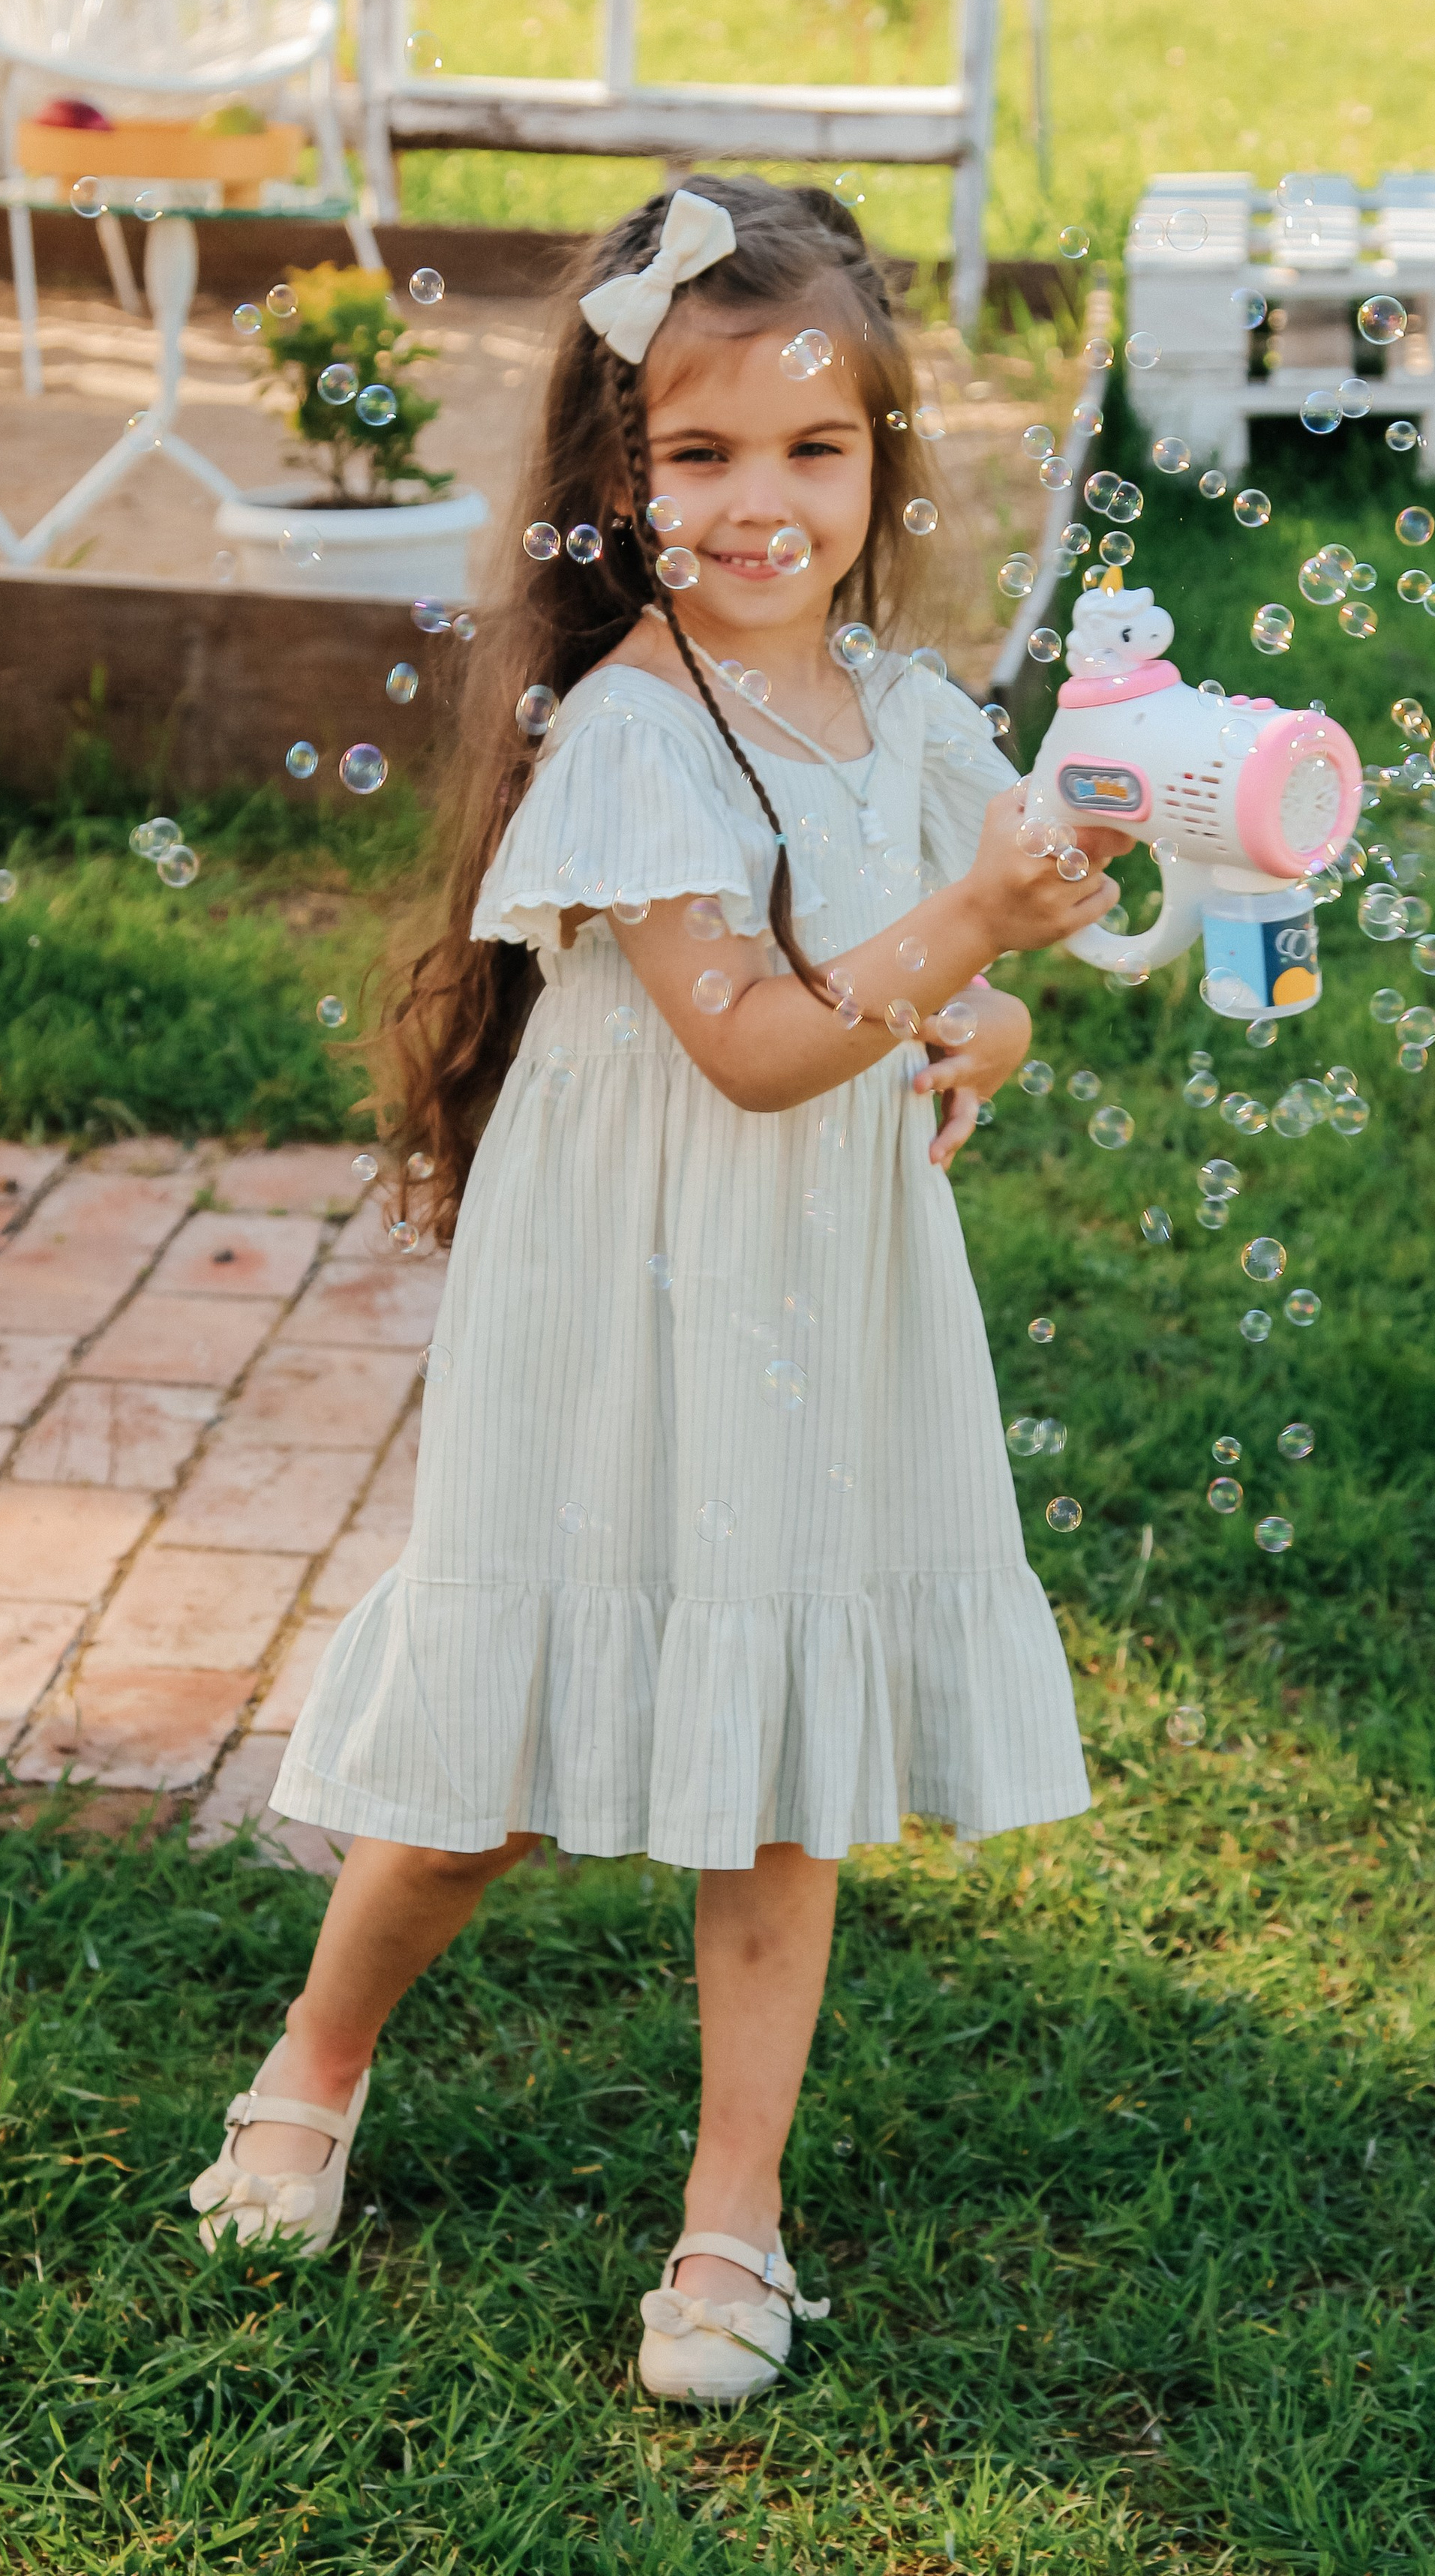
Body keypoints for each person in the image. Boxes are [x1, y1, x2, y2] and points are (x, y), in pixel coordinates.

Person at [188, 174, 1127, 2402]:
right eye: (700, 452)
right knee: (491, 1771)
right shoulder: (630, 735)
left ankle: (733, 2224)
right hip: (622, 1306)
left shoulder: (905, 714)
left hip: (815, 1313)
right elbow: (758, 1044)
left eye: (814, 447)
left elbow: (947, 999)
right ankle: (314, 2064)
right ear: (621, 480)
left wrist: (993, 1015)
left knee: (785, 1770)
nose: (760, 500)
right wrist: (964, 942)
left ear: (884, 462)